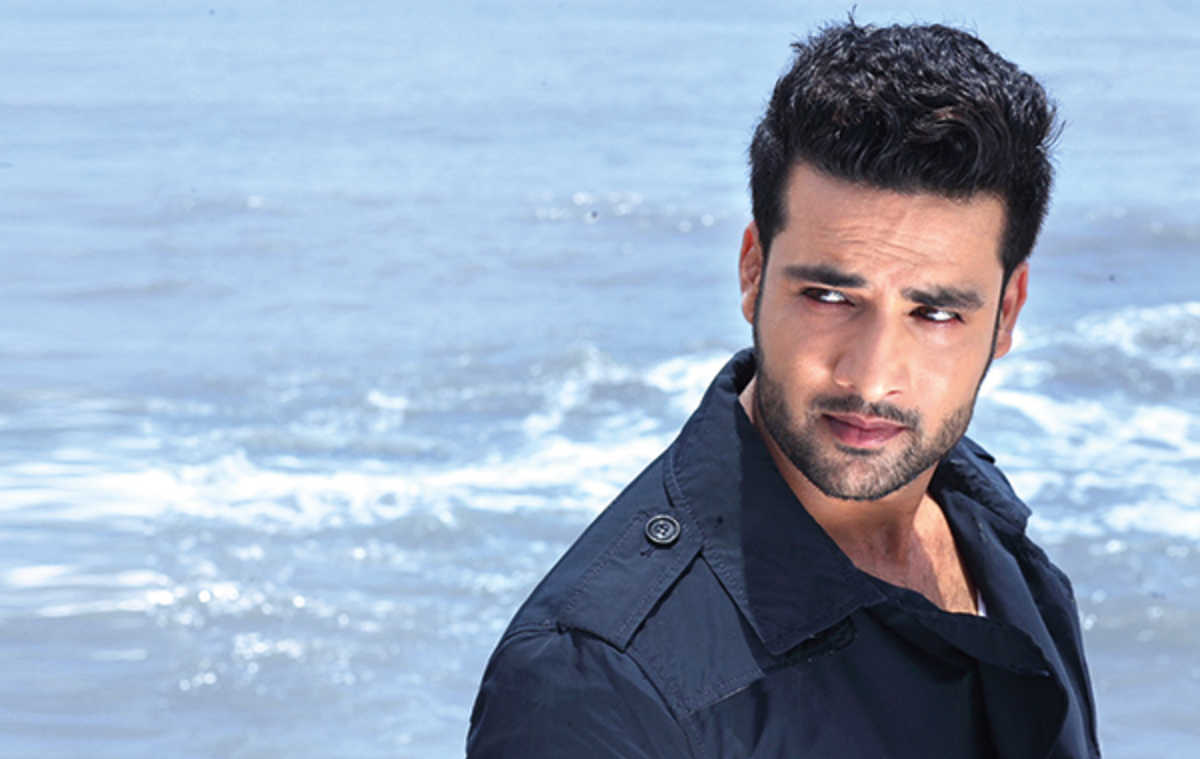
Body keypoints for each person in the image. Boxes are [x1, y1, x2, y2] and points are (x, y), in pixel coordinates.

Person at [467, 19, 1099, 758]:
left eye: (934, 314)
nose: (872, 375)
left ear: (1007, 313)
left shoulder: (994, 539)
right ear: (752, 271)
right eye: (829, 297)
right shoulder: (597, 688)